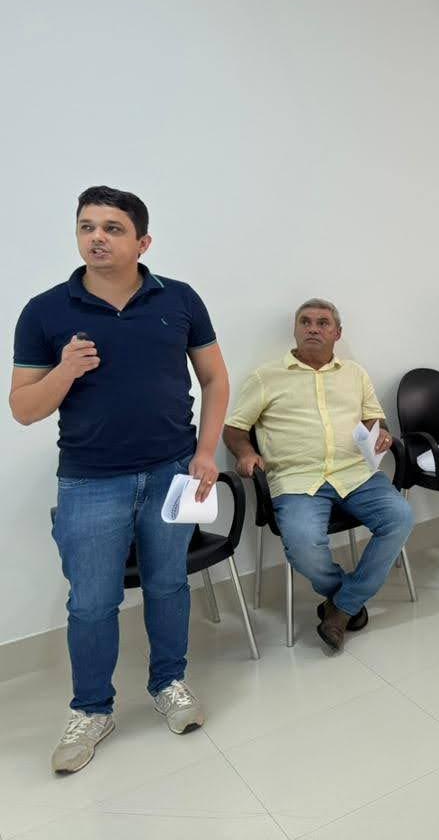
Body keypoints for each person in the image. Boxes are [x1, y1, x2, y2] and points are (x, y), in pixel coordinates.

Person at [10, 186, 229, 774]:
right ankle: (91, 709)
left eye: (112, 228)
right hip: (89, 481)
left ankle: (168, 684)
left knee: (167, 584)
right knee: (91, 602)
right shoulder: (45, 311)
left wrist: (206, 452)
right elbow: (24, 409)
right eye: (87, 226)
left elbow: (214, 378)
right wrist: (65, 370)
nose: (97, 238)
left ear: (142, 242)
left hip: (171, 472)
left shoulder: (179, 299)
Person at [222, 299, 414, 654]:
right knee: (304, 547)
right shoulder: (266, 377)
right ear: (295, 330)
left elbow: (374, 418)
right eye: (306, 322)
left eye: (323, 323)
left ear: (337, 333)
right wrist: (245, 453)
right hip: (297, 480)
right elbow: (234, 429)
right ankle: (347, 600)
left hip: (355, 474)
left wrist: (382, 432)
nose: (313, 328)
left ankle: (340, 608)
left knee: (400, 517)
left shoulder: (355, 373)